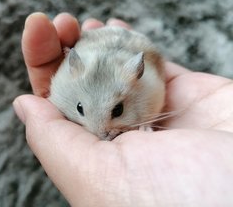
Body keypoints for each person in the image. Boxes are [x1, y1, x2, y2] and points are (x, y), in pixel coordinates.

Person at [13, 12, 233, 206]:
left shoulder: (144, 87)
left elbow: (154, 92)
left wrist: (147, 120)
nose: (100, 132)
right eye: (80, 108)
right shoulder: (70, 74)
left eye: (117, 111)